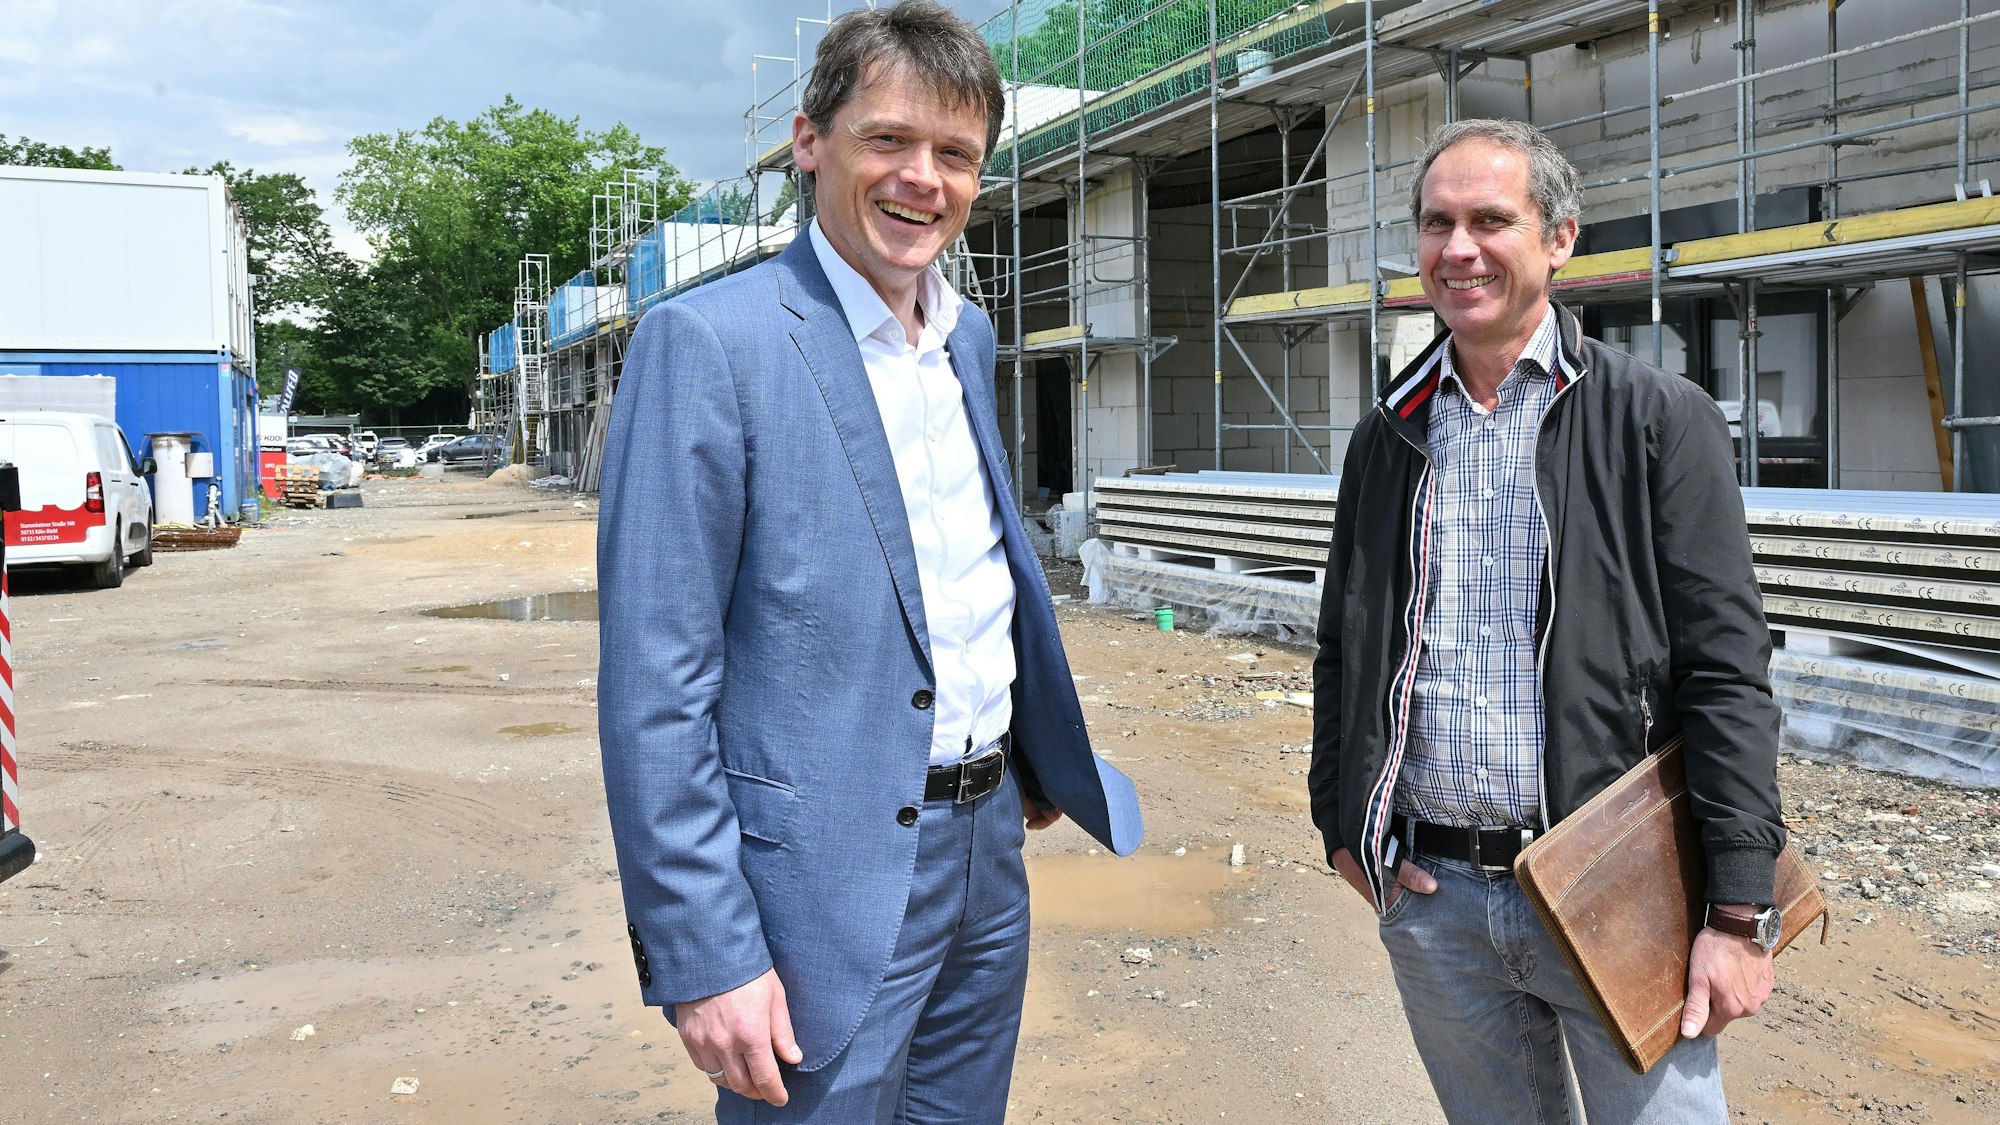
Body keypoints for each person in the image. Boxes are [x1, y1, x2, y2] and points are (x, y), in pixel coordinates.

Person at [596, 3, 1143, 1122]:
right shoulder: (710, 344)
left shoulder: (965, 335)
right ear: (811, 141)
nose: (921, 180)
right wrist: (705, 950)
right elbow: (656, 680)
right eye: (887, 139)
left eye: (955, 154)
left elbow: (963, 568)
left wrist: (1025, 751)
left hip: (988, 848)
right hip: (821, 878)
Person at [1308, 118, 1787, 1123]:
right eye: (1436, 223)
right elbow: (1345, 645)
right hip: (1435, 900)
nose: (1458, 249)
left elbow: (1726, 670)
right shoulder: (1386, 435)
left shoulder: (1655, 419)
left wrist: (1739, 908)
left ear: (1560, 238)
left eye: (1490, 220)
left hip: (1619, 891)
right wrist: (1340, 821)